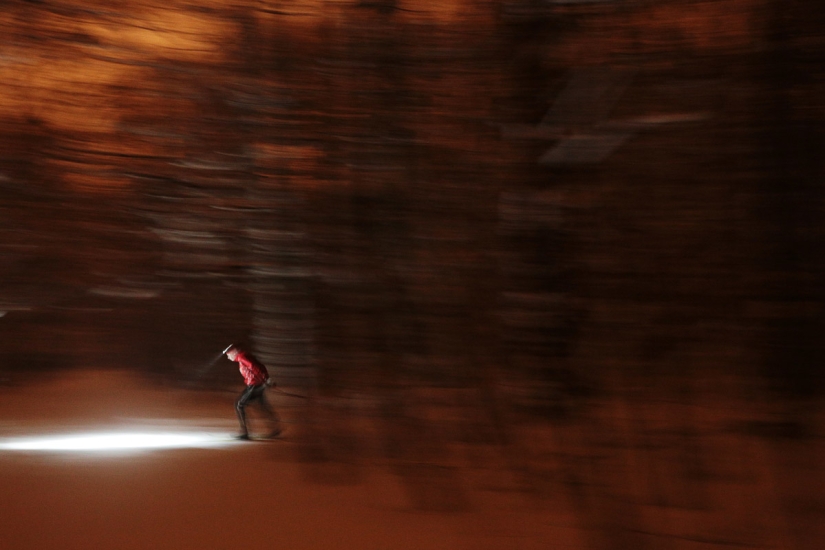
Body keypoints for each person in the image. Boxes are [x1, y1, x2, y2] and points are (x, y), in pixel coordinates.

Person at [223, 344, 281, 440]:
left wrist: (266, 379)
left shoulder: (242, 357)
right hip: (255, 384)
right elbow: (260, 366)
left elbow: (255, 366)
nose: (228, 358)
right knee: (261, 406)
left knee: (240, 405)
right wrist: (266, 379)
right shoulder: (243, 357)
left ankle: (244, 432)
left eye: (228, 355)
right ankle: (275, 428)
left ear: (234, 352)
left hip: (255, 384)